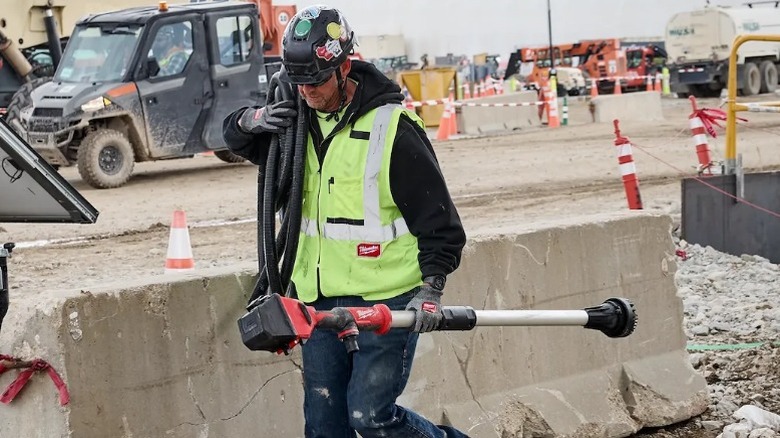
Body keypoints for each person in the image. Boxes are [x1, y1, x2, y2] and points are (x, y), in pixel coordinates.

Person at [222, 5, 468, 438]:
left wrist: (432, 289)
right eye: (300, 83)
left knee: (370, 418)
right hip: (317, 299)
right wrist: (255, 120)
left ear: (345, 66)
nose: (308, 93)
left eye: (317, 81)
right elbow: (231, 135)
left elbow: (441, 222)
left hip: (386, 298)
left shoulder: (392, 127)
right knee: (323, 426)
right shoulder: (292, 126)